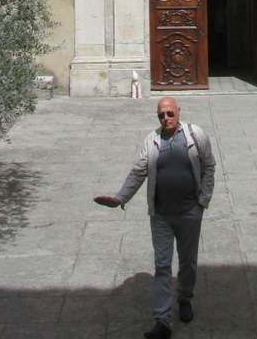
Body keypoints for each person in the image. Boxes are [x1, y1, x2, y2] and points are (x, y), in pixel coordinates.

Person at [94, 97, 216, 338]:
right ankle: (162, 321)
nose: (166, 118)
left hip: (190, 212)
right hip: (160, 214)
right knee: (162, 266)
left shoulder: (196, 135)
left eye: (170, 114)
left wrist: (203, 200)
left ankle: (184, 298)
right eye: (161, 115)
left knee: (188, 262)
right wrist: (121, 198)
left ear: (179, 112)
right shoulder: (152, 141)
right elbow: (138, 171)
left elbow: (209, 166)